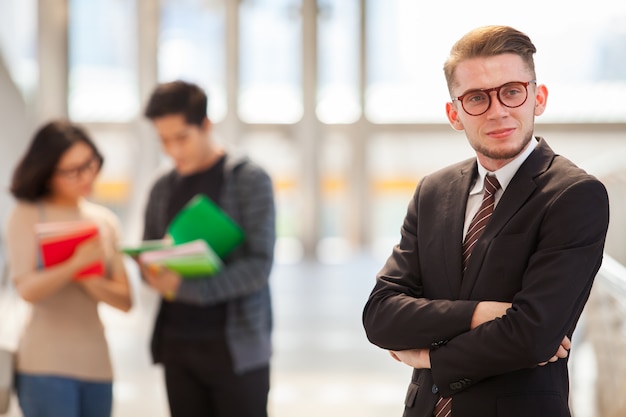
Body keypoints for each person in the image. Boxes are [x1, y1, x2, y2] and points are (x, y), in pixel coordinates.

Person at [362, 25, 610, 417]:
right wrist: (485, 313)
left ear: (538, 98)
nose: (497, 111)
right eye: (477, 98)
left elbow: (532, 336)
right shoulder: (433, 191)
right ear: (454, 113)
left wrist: (427, 356)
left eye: (512, 91)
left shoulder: (573, 195)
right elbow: (381, 315)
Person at [140, 80, 276, 417]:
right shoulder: (162, 186)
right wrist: (149, 271)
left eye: (181, 138)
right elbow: (148, 250)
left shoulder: (248, 178)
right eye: (164, 141)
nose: (173, 150)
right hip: (177, 345)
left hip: (235, 348)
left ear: (205, 125)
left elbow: (259, 266)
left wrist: (185, 288)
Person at [4, 120, 133, 417]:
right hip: (43, 366)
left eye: (90, 164)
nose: (86, 176)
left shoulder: (105, 221)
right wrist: (76, 264)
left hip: (98, 366)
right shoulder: (26, 215)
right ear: (48, 174)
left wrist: (86, 277)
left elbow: (126, 301)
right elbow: (27, 290)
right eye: (72, 171)